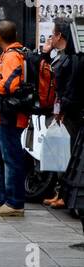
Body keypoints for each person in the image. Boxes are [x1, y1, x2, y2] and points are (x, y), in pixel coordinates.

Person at [0, 19, 32, 219]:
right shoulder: (11, 53)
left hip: (11, 116)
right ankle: (2, 198)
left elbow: (7, 87)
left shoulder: (12, 56)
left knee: (11, 158)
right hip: (4, 115)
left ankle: (15, 203)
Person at [42, 18, 81, 208]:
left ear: (60, 35)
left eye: (53, 33)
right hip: (63, 110)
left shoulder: (73, 58)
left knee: (68, 151)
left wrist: (63, 109)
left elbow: (70, 88)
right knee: (61, 152)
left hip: (70, 113)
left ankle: (65, 195)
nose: (51, 37)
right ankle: (61, 193)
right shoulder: (62, 55)